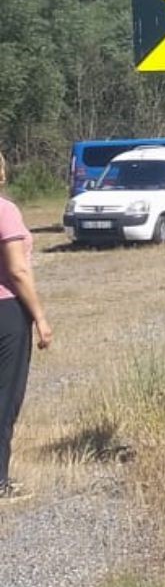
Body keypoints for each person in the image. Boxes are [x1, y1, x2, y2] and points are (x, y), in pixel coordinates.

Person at [0, 148, 52, 501]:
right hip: (6, 312)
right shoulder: (5, 211)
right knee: (5, 396)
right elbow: (18, 270)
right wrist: (40, 317)